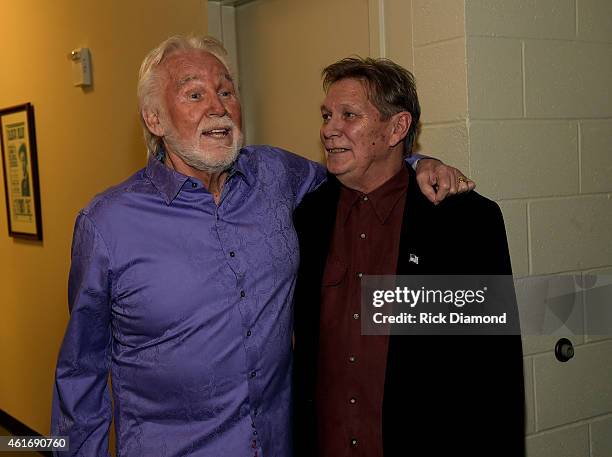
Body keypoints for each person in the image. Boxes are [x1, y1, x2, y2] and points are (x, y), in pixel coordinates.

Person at [51, 36, 472, 457]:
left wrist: (418, 163)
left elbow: (358, 168)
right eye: (194, 93)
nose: (218, 107)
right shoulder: (107, 224)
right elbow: (80, 374)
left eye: (226, 91)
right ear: (154, 118)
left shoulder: (274, 174)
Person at [292, 57, 525, 457]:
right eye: (327, 115)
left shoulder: (464, 223)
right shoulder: (306, 219)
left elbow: (494, 374)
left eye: (349, 115)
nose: (329, 130)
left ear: (397, 128)